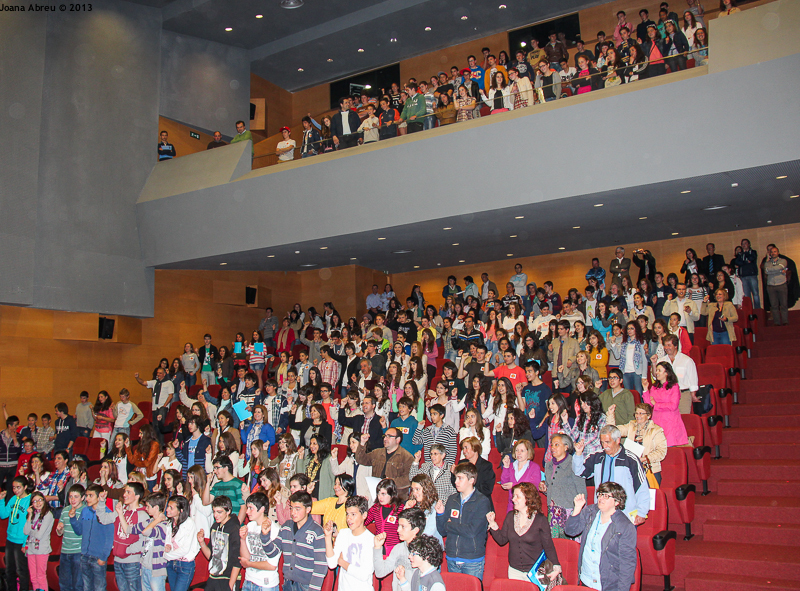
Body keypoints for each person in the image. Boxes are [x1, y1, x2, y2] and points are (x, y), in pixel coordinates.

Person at [565, 483, 637, 591]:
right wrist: (577, 508)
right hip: (586, 580)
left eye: (606, 496)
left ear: (617, 502)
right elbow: (570, 531)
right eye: (600, 494)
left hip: (608, 584)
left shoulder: (625, 526)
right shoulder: (590, 512)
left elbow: (627, 563)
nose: (601, 498)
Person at [572, 425, 650, 524]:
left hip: (624, 514)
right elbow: (579, 471)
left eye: (608, 442)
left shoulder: (631, 460)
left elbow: (642, 488)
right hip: (602, 512)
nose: (604, 446)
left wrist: (642, 512)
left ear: (618, 440)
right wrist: (578, 454)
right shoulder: (597, 457)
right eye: (602, 442)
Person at [488, 482, 561, 581]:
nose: (513, 499)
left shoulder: (540, 520)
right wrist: (492, 524)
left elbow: (548, 546)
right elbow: (502, 540)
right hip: (514, 571)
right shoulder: (510, 516)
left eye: (517, 496)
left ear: (528, 498)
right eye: (513, 496)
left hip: (534, 572)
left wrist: (556, 566)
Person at [260, 490, 327, 591]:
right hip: (288, 584)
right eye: (291, 508)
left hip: (306, 586)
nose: (293, 512)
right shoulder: (286, 527)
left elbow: (321, 565)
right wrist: (265, 536)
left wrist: (313, 589)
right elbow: (272, 552)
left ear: (308, 509)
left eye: (297, 509)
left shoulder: (316, 531)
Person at [435, 462, 492, 579]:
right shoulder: (452, 499)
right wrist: (440, 514)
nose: (456, 482)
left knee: (473, 587)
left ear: (471, 480)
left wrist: (450, 525)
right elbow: (442, 531)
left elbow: (471, 531)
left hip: (472, 560)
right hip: (452, 557)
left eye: (460, 478)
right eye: (456, 478)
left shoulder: (482, 501)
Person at [324, 495, 374, 591]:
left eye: (353, 514)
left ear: (364, 515)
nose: (349, 518)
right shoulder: (343, 533)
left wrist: (342, 562)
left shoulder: (370, 540)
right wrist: (327, 537)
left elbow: (364, 575)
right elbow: (332, 564)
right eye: (347, 514)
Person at [71, 484, 115, 591]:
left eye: (90, 495)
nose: (87, 499)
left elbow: (109, 539)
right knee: (87, 587)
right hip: (85, 556)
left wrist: (103, 557)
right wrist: (73, 519)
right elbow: (79, 531)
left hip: (98, 557)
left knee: (99, 587)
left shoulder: (107, 514)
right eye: (86, 495)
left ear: (99, 496)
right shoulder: (85, 511)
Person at [238, 491, 282, 591]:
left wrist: (249, 564)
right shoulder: (250, 526)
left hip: (266, 584)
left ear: (262, 509)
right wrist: (242, 539)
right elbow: (246, 558)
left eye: (251, 508)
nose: (247, 512)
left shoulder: (274, 530)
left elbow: (271, 565)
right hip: (249, 581)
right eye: (247, 508)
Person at [643, 362, 689, 447]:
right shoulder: (654, 387)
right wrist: (645, 389)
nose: (656, 372)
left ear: (666, 373)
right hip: (657, 420)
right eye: (656, 370)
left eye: (659, 370)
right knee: (657, 447)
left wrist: (656, 404)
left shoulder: (674, 386)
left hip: (670, 422)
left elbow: (673, 406)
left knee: (669, 448)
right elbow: (649, 405)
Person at [134, 369, 174, 444]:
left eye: (160, 373)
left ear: (164, 374)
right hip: (154, 408)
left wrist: (164, 406)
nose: (158, 374)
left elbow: (170, 396)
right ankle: (155, 444)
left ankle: (161, 445)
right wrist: (137, 378)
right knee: (154, 427)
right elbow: (143, 382)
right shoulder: (154, 382)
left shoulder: (169, 383)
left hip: (162, 408)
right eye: (157, 373)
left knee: (160, 427)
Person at [500, 440, 541, 512]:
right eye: (517, 450)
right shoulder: (511, 466)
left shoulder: (534, 467)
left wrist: (514, 485)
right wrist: (506, 467)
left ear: (528, 452)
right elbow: (504, 483)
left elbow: (533, 487)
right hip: (512, 506)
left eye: (522, 451)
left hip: (529, 506)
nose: (519, 453)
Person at [762, 244, 797, 326]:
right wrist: (778, 270)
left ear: (778, 252)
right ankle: (776, 322)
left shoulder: (783, 261)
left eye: (775, 251)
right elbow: (766, 270)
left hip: (781, 285)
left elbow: (779, 267)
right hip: (771, 286)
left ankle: (785, 321)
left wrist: (772, 270)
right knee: (774, 305)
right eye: (772, 252)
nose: (773, 253)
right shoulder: (767, 263)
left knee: (784, 304)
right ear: (770, 253)